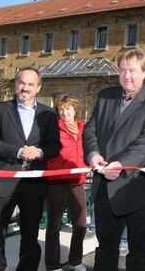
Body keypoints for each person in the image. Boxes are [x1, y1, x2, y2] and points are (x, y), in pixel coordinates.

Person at [83, 48, 145, 271]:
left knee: (138, 251)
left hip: (137, 186)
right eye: (122, 70)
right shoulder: (105, 96)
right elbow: (90, 131)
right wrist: (93, 155)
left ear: (144, 73)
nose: (127, 75)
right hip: (105, 187)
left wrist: (121, 165)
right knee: (105, 249)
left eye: (132, 70)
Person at [0, 66, 60, 271]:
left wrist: (39, 152)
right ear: (16, 84)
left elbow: (55, 145)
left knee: (30, 234)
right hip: (3, 180)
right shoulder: (0, 109)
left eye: (30, 84)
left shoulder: (49, 114)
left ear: (38, 88)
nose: (25, 88)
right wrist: (17, 151)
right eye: (21, 83)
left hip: (33, 183)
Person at [45, 94, 88, 271]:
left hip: (77, 181)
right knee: (54, 224)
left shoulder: (82, 128)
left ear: (75, 109)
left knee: (80, 224)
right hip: (56, 181)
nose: (64, 112)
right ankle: (52, 264)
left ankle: (75, 260)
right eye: (61, 108)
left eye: (68, 108)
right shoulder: (54, 128)